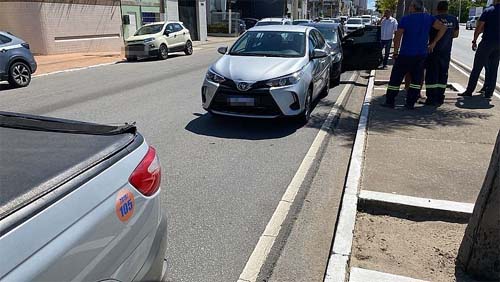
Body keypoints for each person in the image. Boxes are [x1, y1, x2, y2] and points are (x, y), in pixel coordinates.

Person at [382, 0, 447, 110]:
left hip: (405, 54)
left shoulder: (406, 19)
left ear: (413, 7)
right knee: (416, 80)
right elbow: (443, 28)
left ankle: (390, 101)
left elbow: (397, 37)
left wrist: (395, 52)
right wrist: (433, 43)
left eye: (410, 6)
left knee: (396, 79)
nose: (409, 8)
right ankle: (410, 103)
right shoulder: (428, 18)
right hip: (421, 55)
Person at [459, 0, 500, 99]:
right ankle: (489, 93)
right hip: (498, 44)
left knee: (477, 67)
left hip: (487, 42)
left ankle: (469, 91)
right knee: (494, 69)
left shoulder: (488, 11)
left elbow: (480, 26)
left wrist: (474, 40)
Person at [424, 1, 459, 106]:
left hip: (433, 51)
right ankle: (440, 98)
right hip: (446, 51)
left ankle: (431, 99)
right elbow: (456, 34)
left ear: (437, 9)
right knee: (443, 75)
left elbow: (426, 34)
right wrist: (447, 36)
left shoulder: (434, 19)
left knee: (431, 75)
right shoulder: (453, 19)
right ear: (447, 8)